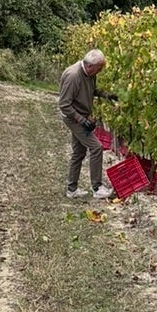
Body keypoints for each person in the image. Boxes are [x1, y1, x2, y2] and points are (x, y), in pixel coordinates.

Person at [59, 48, 113, 200]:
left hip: (81, 115)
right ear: (90, 66)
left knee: (79, 153)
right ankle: (97, 188)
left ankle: (72, 189)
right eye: (99, 68)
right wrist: (82, 120)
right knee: (96, 148)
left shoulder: (90, 74)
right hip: (72, 117)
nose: (100, 71)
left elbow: (91, 89)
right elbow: (64, 104)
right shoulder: (73, 76)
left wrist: (107, 95)